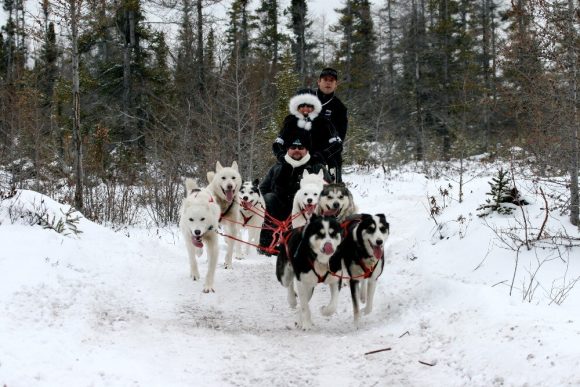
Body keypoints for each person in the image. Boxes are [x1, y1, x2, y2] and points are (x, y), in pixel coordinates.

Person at [259, 131, 331, 254]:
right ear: (287, 149)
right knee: (268, 198)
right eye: (293, 147)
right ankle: (268, 244)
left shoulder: (317, 167)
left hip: (307, 211)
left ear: (306, 150)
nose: (296, 150)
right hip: (280, 212)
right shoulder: (277, 167)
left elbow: (331, 191)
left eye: (301, 147)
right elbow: (262, 190)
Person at [272, 88, 342, 178]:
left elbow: (337, 144)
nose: (305, 109)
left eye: (309, 106)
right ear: (297, 107)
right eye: (302, 106)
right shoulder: (290, 121)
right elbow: (277, 143)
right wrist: (281, 155)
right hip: (295, 162)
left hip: (321, 164)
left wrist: (323, 154)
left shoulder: (324, 121)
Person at [316, 67, 348, 183]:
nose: (328, 83)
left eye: (332, 80)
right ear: (319, 82)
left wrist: (327, 152)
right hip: (305, 151)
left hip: (329, 154)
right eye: (325, 79)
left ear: (336, 84)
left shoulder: (339, 107)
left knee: (335, 191)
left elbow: (340, 136)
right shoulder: (307, 100)